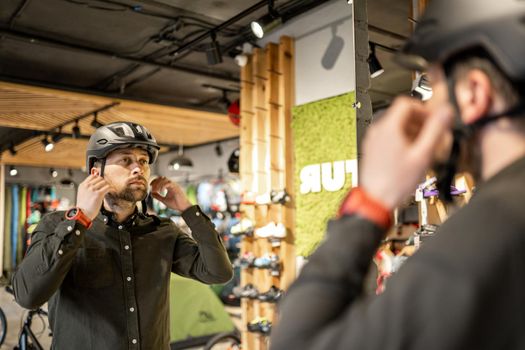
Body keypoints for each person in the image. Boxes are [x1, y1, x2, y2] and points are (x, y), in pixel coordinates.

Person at [271, 0, 525, 349]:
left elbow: (294, 344)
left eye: (434, 87)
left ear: (473, 93)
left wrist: (370, 200)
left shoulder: (488, 232)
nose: (427, 105)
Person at [11, 122, 233, 349]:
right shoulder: (57, 224)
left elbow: (218, 272)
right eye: (126, 160)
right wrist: (80, 219)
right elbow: (28, 296)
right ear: (96, 172)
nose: (138, 168)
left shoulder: (163, 232)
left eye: (143, 161)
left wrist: (188, 211)